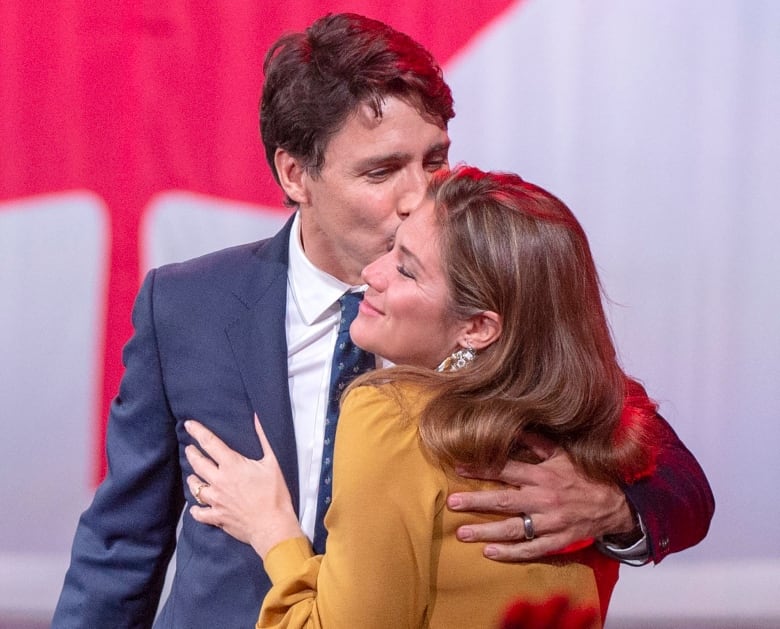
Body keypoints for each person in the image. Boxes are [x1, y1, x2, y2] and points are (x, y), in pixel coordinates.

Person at [52, 13, 713, 629]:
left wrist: (615, 509)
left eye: (433, 159)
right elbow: (122, 542)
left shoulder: (492, 300)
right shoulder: (189, 304)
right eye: (381, 170)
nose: (419, 195)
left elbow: (677, 481)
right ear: (295, 173)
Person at [183, 165, 668, 628]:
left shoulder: (390, 418)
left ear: (478, 327)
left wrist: (274, 533)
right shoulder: (601, 420)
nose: (372, 273)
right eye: (393, 249)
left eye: (408, 271)